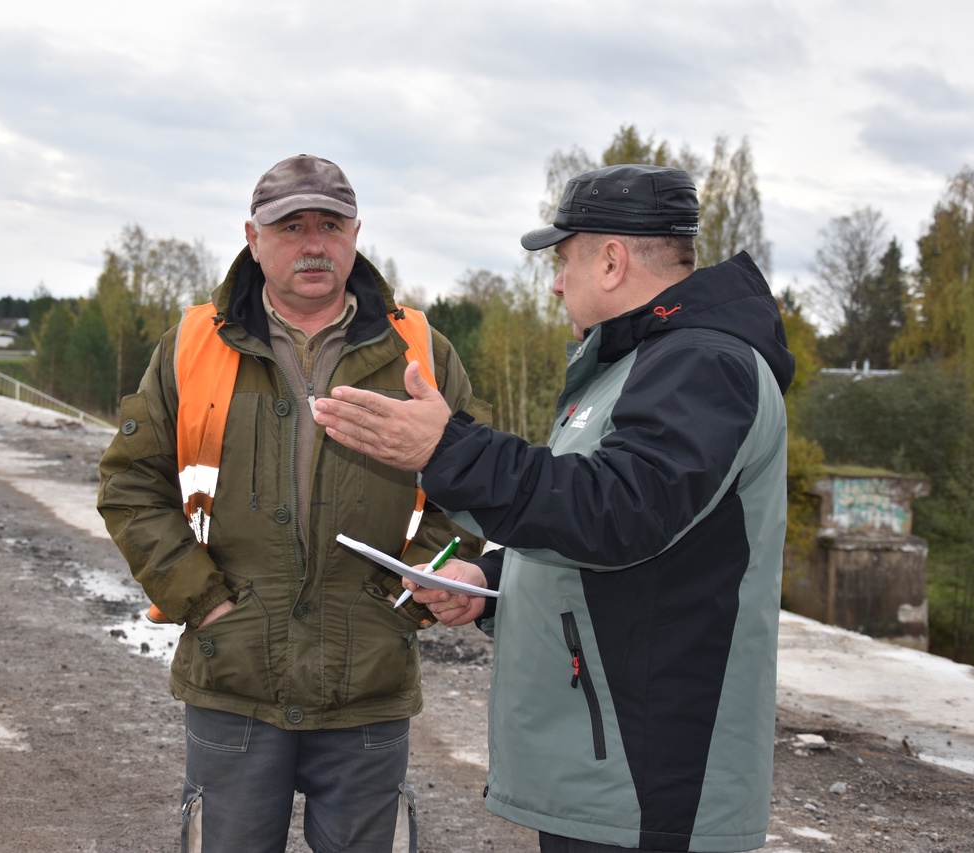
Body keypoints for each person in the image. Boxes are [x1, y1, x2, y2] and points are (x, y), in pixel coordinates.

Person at [314, 163, 795, 853]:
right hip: (608, 772)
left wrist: (448, 451)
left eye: (564, 259)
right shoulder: (639, 366)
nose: (556, 280)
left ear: (611, 258)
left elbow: (620, 511)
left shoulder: (702, 365)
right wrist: (491, 582)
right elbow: (601, 522)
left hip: (652, 778)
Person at [97, 154, 483, 853]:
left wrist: (429, 581)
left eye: (330, 225)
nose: (313, 243)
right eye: (291, 226)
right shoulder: (191, 346)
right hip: (234, 672)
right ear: (253, 236)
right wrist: (202, 598)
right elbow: (130, 485)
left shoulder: (420, 349)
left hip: (368, 672)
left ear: (356, 233)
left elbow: (472, 488)